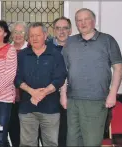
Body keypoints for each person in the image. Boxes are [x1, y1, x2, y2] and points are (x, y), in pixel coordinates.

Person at [62, 8, 122, 146]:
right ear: (76, 24)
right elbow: (64, 71)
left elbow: (118, 68)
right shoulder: (70, 42)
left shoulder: (107, 40)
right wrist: (63, 95)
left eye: (86, 19)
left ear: (94, 21)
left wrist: (112, 94)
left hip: (96, 100)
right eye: (79, 20)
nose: (82, 23)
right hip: (73, 101)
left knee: (91, 142)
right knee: (72, 142)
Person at [15, 22, 67, 147]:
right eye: (31, 35)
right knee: (27, 144)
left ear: (45, 35)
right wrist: (33, 92)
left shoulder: (56, 55)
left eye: (38, 35)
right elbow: (16, 78)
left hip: (50, 109)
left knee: (50, 144)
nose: (34, 38)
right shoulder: (22, 55)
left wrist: (42, 93)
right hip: (27, 107)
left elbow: (60, 78)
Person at [49, 16, 72, 147]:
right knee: (53, 135)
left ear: (70, 30)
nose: (61, 31)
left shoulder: (77, 46)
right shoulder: (46, 47)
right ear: (54, 30)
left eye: (65, 28)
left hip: (73, 95)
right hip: (51, 95)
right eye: (58, 28)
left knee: (69, 132)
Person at [8, 20, 28, 147]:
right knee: (13, 129)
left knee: (27, 131)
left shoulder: (31, 49)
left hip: (27, 95)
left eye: (21, 32)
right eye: (15, 32)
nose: (18, 35)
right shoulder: (7, 50)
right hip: (10, 97)